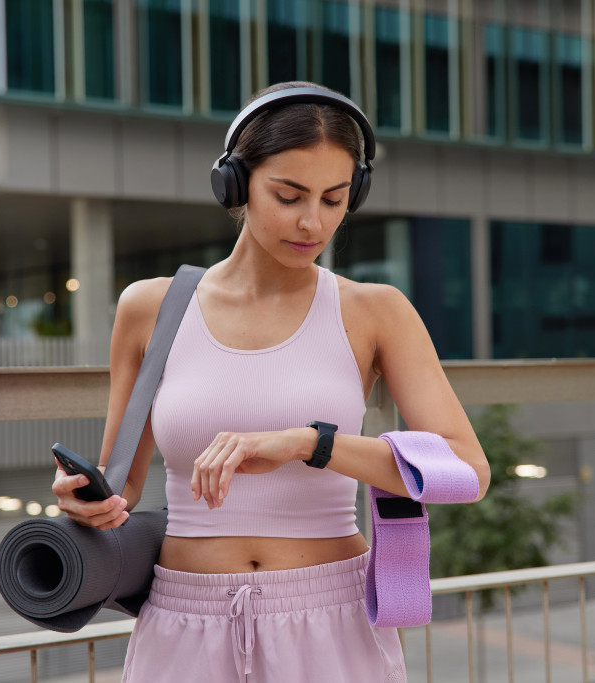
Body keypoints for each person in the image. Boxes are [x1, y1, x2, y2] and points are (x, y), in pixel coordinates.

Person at [51, 81, 490, 683]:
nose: (313, 222)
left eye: (335, 200)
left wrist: (311, 443)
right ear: (235, 185)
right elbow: (121, 481)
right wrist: (86, 499)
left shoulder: (375, 310)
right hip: (184, 620)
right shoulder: (149, 307)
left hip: (331, 622)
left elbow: (466, 471)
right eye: (288, 195)